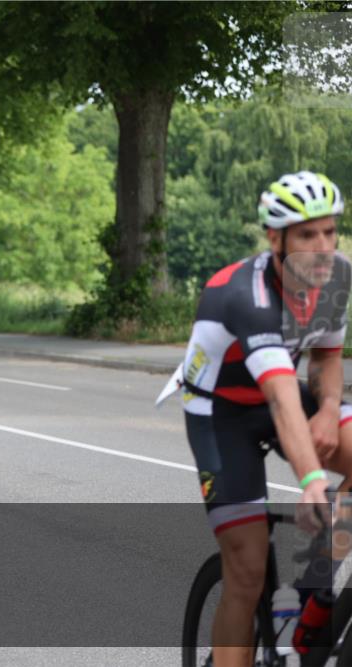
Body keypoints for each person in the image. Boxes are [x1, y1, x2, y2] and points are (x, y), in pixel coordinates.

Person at [180, 172, 349, 667]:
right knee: (247, 572)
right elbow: (278, 398)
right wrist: (313, 480)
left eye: (330, 232)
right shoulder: (244, 296)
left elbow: (327, 357)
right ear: (275, 239)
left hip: (277, 396)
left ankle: (318, 587)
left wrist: (326, 406)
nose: (323, 247)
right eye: (306, 235)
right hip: (219, 413)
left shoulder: (334, 277)